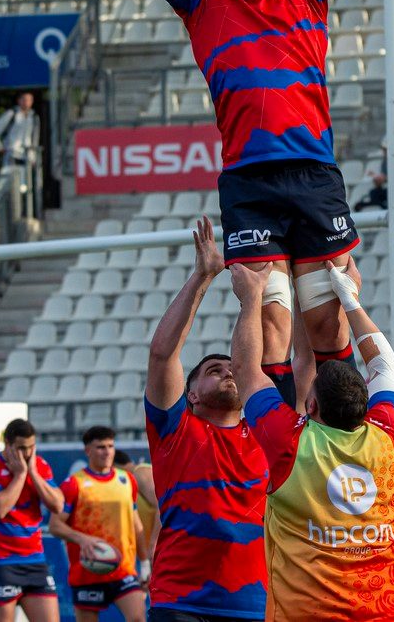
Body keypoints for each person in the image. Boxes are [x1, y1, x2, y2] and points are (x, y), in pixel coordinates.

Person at [132, 0, 361, 408]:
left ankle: (325, 438)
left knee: (328, 326)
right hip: (251, 184)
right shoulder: (204, 5)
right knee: (273, 327)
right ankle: (278, 457)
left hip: (313, 176)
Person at [229, 256, 394, 621]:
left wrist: (251, 300)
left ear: (310, 405)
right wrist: (351, 300)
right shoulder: (389, 438)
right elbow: (384, 365)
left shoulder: (291, 445)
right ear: (367, 406)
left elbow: (247, 372)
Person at [144, 217, 267, 621]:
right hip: (181, 603)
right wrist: (203, 276)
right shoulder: (176, 431)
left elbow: (298, 366)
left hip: (256, 606)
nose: (229, 371)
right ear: (190, 394)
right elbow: (163, 355)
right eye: (214, 370)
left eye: (232, 367)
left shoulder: (269, 431)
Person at [49, 426, 145, 622]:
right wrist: (83, 539)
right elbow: (55, 525)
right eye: (101, 447)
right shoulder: (73, 484)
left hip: (123, 569)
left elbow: (136, 524)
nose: (107, 451)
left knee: (138, 618)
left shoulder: (126, 480)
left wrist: (145, 564)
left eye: (110, 446)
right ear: (88, 451)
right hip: (88, 570)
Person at [0, 418, 65, 622]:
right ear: (7, 444)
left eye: (32, 447)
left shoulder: (39, 466)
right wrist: (20, 476)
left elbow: (58, 505)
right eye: (22, 448)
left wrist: (32, 472)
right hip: (1, 563)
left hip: (35, 561)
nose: (28, 453)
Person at [112, 450, 158, 579]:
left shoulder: (140, 473)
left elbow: (162, 505)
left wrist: (154, 544)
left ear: (114, 466)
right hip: (141, 553)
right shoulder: (127, 482)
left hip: (156, 551)